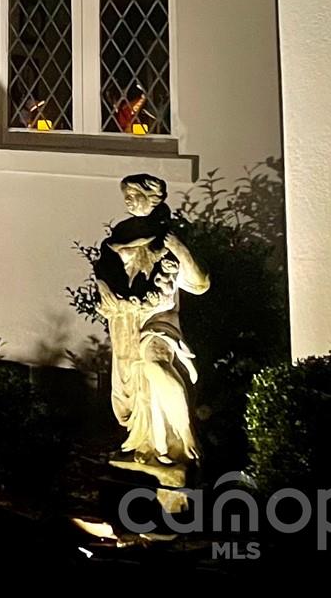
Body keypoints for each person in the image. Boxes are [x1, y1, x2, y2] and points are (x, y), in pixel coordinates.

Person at [94, 172, 210, 490]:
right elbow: (104, 276)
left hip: (159, 322)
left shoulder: (167, 238)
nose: (129, 200)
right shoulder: (119, 236)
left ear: (153, 198)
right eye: (126, 195)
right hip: (126, 321)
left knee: (157, 367)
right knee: (134, 388)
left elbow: (199, 284)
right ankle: (146, 446)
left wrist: (182, 251)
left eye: (135, 194)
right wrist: (107, 292)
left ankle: (182, 442)